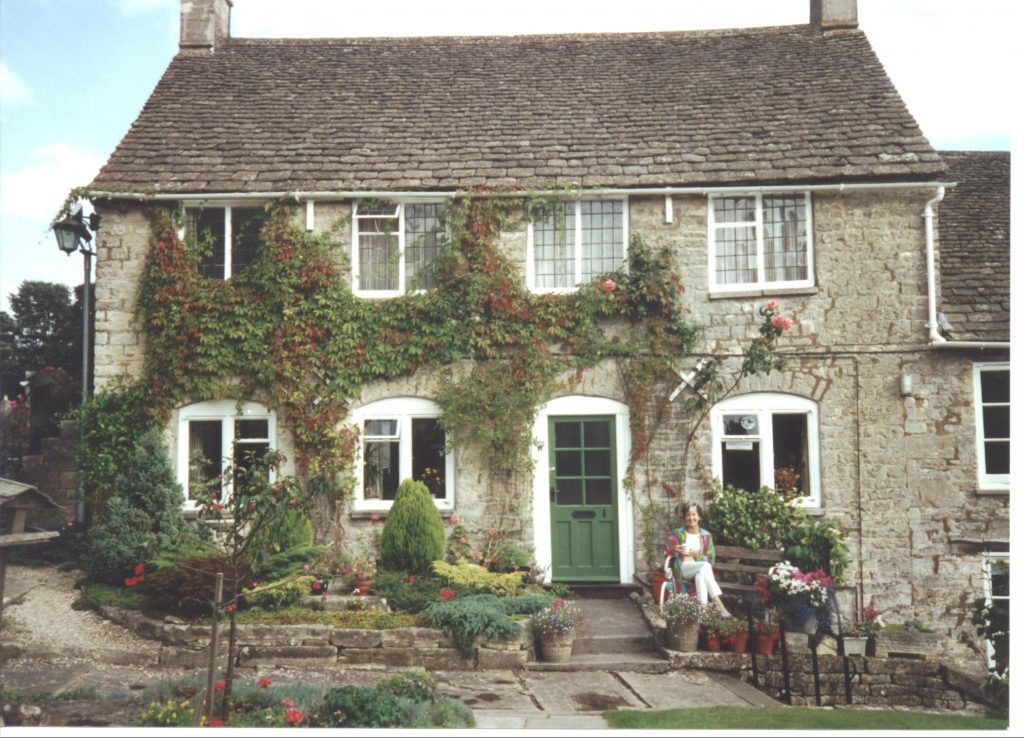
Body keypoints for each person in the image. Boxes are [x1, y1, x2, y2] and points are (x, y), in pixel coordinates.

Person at [668, 502, 731, 616]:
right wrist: (674, 549)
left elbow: (711, 559)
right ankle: (719, 604)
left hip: (699, 568)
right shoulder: (677, 533)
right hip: (683, 568)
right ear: (684, 517)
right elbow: (667, 550)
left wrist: (697, 555)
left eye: (694, 515)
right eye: (688, 515)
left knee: (701, 575)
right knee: (704, 566)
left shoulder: (706, 536)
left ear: (699, 517)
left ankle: (703, 613)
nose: (691, 518)